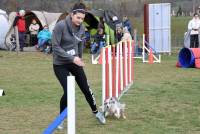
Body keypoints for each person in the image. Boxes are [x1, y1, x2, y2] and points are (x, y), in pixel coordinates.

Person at [52, 2, 106, 129]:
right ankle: (61, 120)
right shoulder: (60, 26)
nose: (80, 21)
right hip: (60, 64)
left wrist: (79, 58)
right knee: (68, 91)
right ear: (72, 15)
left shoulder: (82, 28)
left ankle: (96, 112)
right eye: (78, 18)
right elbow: (55, 47)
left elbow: (80, 43)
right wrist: (72, 58)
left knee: (86, 88)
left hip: (75, 62)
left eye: (82, 18)